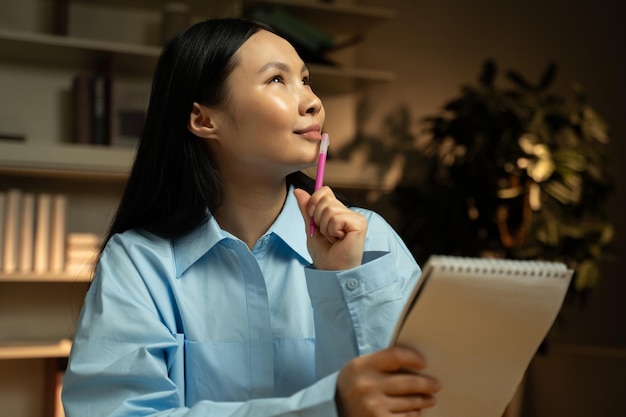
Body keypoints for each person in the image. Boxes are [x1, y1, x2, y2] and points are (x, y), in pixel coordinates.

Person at [62, 18, 440, 417]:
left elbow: (421, 398)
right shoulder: (140, 261)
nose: (313, 102)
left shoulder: (370, 238)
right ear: (205, 119)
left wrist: (345, 281)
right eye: (277, 80)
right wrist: (327, 407)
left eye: (306, 79)